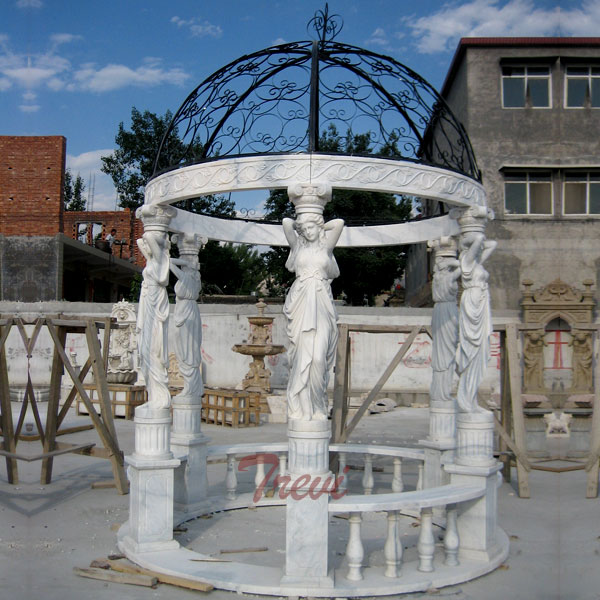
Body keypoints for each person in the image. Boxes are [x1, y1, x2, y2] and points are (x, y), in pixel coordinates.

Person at [282, 212, 344, 421]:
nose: (308, 232)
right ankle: (304, 406)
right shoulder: (298, 247)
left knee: (318, 359)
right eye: (305, 229)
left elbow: (339, 224)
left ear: (319, 228)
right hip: (301, 302)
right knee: (301, 358)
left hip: (322, 303)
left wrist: (319, 223)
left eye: (312, 228)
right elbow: (286, 223)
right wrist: (302, 224)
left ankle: (319, 405)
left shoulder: (326, 248)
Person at [455, 232, 497, 413]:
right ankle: (465, 399)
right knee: (472, 348)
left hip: (481, 301)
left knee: (480, 351)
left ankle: (471, 400)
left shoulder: (476, 262)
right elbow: (480, 238)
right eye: (475, 250)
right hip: (472, 301)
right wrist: (468, 239)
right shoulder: (467, 262)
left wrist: (475, 244)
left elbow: (492, 243)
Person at [136, 230, 171, 409]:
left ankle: (160, 398)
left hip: (155, 304)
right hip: (148, 302)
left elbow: (147, 237)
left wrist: (161, 238)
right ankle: (153, 395)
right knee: (144, 350)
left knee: (154, 350)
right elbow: (139, 241)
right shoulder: (152, 261)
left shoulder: (159, 261)